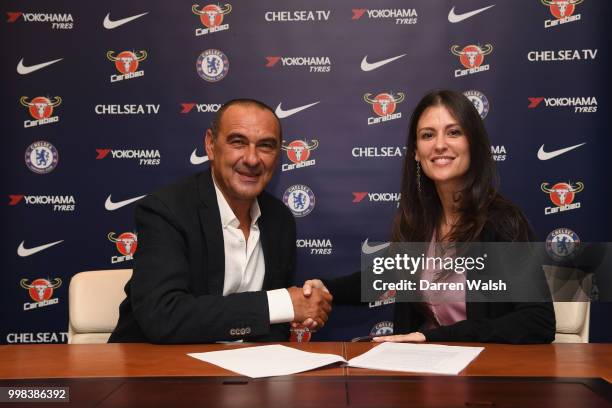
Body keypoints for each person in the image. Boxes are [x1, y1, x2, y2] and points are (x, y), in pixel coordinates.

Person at [304, 90, 555, 344]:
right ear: (416, 151)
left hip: (484, 371)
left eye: (454, 132)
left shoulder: (503, 222)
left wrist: (433, 336)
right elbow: (377, 279)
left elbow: (538, 320)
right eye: (428, 135)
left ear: (473, 143)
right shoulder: (420, 223)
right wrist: (321, 289)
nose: (440, 145)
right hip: (424, 371)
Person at [109, 99, 331, 344]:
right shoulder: (166, 209)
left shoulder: (280, 219)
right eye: (238, 142)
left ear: (278, 156)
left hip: (249, 373)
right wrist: (281, 304)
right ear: (211, 145)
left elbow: (273, 329)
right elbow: (163, 316)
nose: (252, 159)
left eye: (266, 146)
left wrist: (304, 304)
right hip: (156, 371)